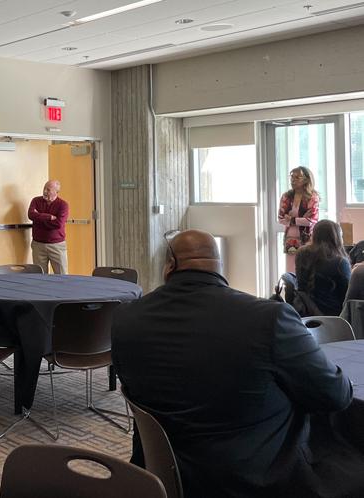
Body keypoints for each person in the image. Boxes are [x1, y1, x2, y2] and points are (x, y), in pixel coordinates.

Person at [112, 229, 363, 497]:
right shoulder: (268, 319)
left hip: (161, 471)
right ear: (219, 268)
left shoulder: (126, 318)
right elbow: (335, 395)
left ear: (170, 265)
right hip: (260, 479)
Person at [295, 219, 351, 316]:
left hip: (306, 316)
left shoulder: (301, 254)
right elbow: (347, 297)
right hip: (335, 319)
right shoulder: (340, 263)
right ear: (336, 238)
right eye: (341, 236)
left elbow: (301, 287)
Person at [278, 166, 319, 273]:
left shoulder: (312, 197)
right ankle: (290, 289)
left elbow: (312, 221)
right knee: (291, 268)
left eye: (297, 177)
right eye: (292, 177)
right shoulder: (286, 196)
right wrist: (301, 219)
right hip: (290, 238)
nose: (293, 180)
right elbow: (281, 218)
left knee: (305, 267)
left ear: (306, 179)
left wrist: (292, 219)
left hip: (307, 237)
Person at [28, 180, 69, 274]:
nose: (45, 191)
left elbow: (58, 224)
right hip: (38, 245)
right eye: (44, 188)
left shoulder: (63, 205)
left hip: (57, 246)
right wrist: (49, 217)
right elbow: (31, 215)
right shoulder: (36, 200)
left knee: (62, 275)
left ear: (56, 192)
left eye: (48, 189)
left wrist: (39, 217)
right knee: (40, 277)